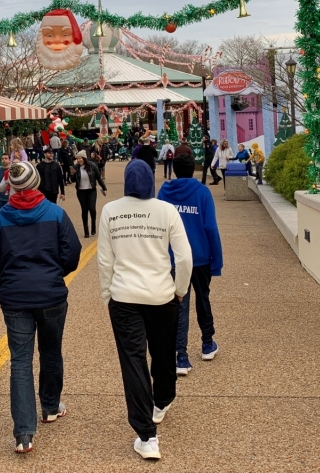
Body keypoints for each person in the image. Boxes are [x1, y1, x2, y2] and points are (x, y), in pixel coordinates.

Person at [98, 160, 193, 461]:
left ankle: (147, 436)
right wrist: (180, 290)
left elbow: (104, 261)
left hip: (124, 297)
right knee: (164, 353)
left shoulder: (111, 211)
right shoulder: (166, 210)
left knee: (133, 362)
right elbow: (185, 258)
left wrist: (106, 296)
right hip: (162, 296)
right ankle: (162, 400)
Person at [0, 162, 82, 454]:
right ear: (36, 183)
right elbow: (72, 254)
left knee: (20, 361)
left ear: (13, 187)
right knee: (51, 352)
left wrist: (5, 288)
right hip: (51, 295)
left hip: (15, 297)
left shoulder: (1, 219)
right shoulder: (55, 213)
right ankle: (50, 406)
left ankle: (24, 433)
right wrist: (54, 276)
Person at [158, 153, 223, 376]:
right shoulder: (202, 192)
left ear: (174, 169)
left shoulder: (164, 192)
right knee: (203, 298)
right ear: (193, 168)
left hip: (174, 257)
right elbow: (211, 228)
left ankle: (181, 356)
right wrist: (217, 260)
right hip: (200, 255)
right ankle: (207, 343)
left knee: (180, 303)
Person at [71, 150, 107, 237]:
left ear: (84, 158)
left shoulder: (92, 165)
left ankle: (93, 226)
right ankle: (86, 231)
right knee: (84, 210)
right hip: (81, 191)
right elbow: (73, 180)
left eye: (80, 158)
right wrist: (72, 174)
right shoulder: (75, 167)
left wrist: (104, 188)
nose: (78, 160)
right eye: (77, 159)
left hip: (91, 190)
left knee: (92, 209)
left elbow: (98, 177)